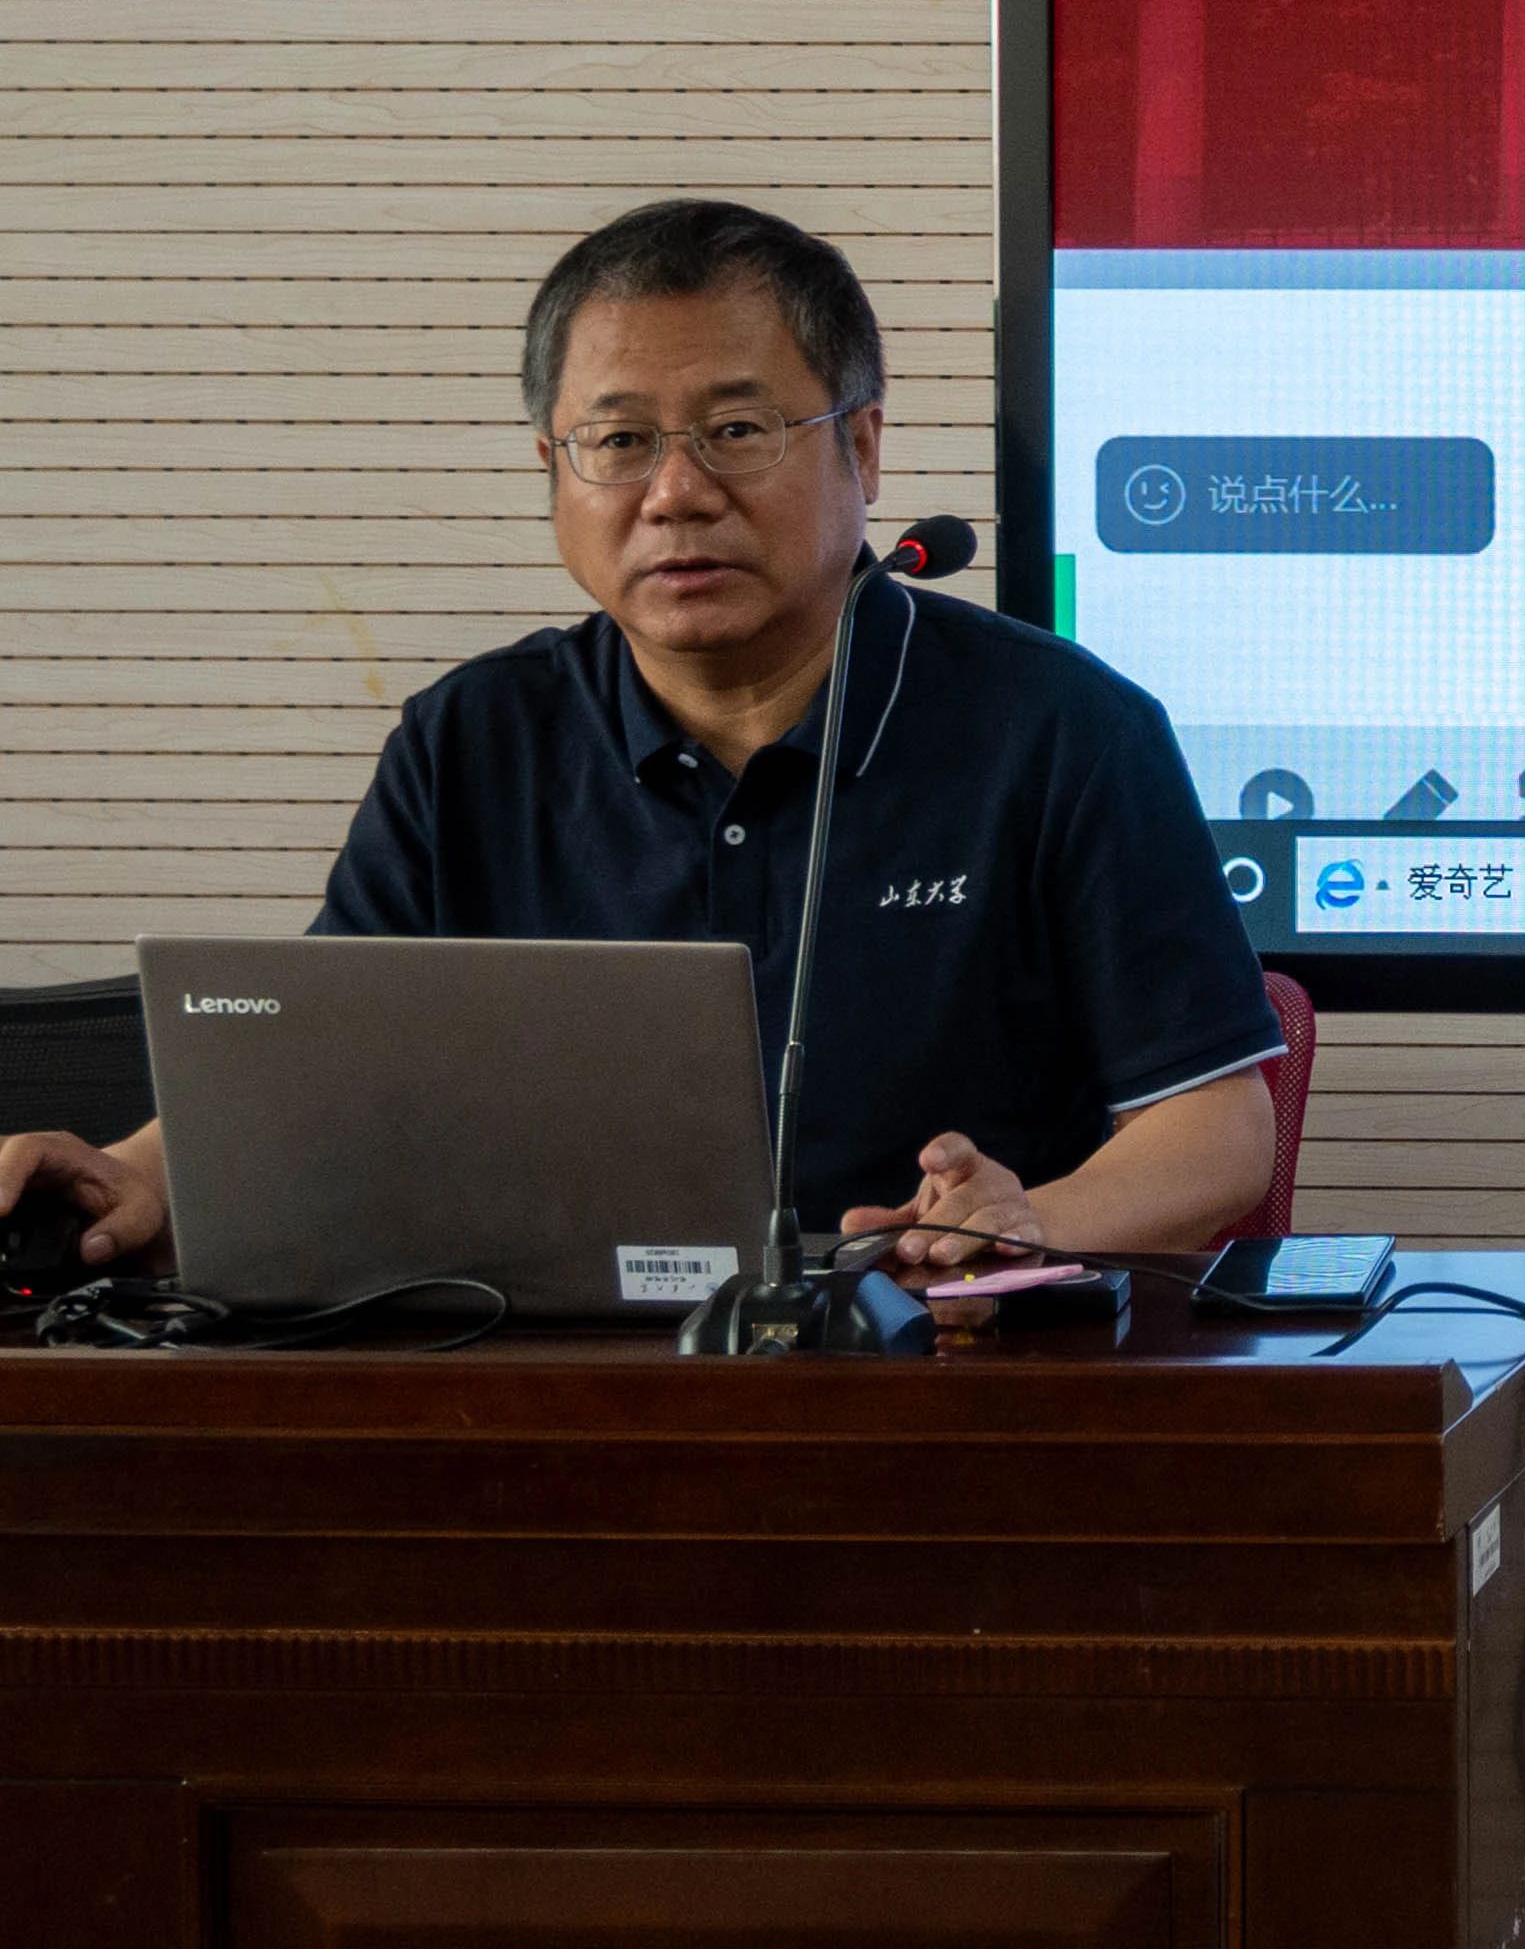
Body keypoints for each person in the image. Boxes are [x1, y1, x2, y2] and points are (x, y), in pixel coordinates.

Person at [0, 200, 1282, 1282]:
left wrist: (1026, 1223)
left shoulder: (1063, 732)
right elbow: (319, 1064)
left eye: (737, 430)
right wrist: (134, 1174)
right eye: (618, 442)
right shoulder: (470, 742)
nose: (676, 492)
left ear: (864, 443)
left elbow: (1218, 1132)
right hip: (539, 1381)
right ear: (553, 470)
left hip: (945, 1379)